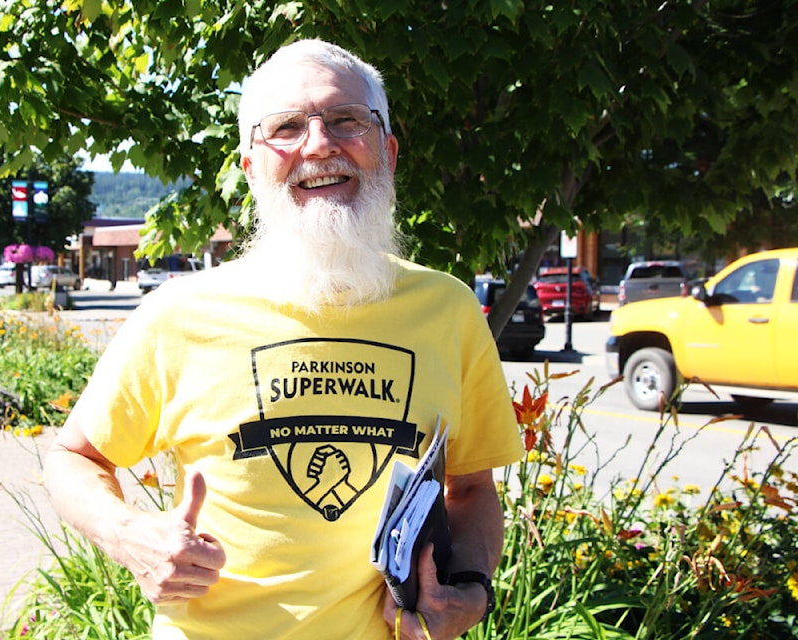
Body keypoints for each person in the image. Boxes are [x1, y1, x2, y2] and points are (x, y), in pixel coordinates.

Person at [43, 39, 523, 640]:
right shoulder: (178, 314)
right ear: (250, 168)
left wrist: (472, 590)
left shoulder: (448, 309)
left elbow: (473, 487)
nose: (319, 145)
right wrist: (128, 535)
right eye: (286, 127)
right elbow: (73, 458)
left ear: (388, 151)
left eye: (347, 120)